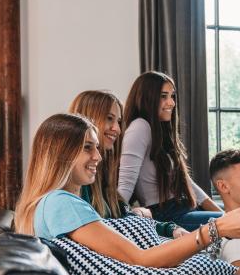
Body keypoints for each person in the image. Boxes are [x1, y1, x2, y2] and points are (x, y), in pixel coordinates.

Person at [14, 114, 240, 275]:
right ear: (61, 152)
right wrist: (215, 230)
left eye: (97, 148)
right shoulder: (60, 204)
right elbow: (142, 259)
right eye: (87, 147)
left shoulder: (48, 205)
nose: (98, 157)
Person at [68, 90, 186, 238]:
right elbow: (106, 231)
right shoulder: (78, 181)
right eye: (109, 119)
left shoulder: (103, 175)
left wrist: (171, 229)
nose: (117, 129)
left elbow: (122, 214)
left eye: (118, 121)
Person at [119, 71, 222, 230]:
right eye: (163, 96)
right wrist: (112, 222)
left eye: (172, 96)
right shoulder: (140, 127)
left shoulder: (160, 131)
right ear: (147, 98)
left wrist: (223, 213)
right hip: (166, 215)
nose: (172, 102)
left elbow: (188, 183)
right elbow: (125, 184)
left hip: (183, 208)